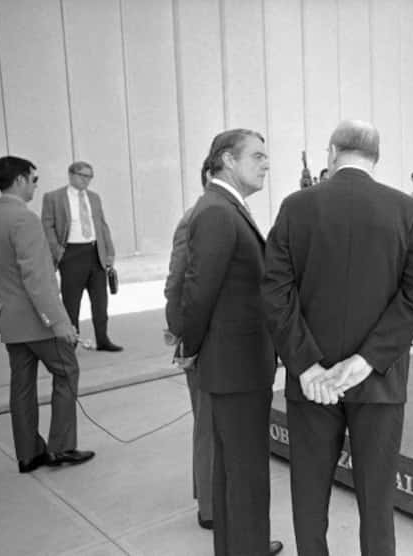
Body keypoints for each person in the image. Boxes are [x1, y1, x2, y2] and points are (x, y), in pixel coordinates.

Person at [262, 120, 413, 556]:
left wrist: (308, 365)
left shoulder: (296, 206)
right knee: (377, 501)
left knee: (309, 495)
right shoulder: (404, 209)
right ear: (375, 156)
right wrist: (366, 361)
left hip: (312, 384)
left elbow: (275, 292)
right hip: (379, 380)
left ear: (332, 151)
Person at [180, 129, 283, 556]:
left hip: (235, 363)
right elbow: (199, 290)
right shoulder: (218, 212)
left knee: (233, 467)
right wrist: (190, 348)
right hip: (235, 366)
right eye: (257, 156)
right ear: (227, 160)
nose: (266, 164)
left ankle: (239, 545)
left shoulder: (223, 207)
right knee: (246, 468)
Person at [0, 156, 95, 473]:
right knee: (67, 372)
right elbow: (39, 278)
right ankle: (61, 448)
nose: (35, 185)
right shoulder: (25, 220)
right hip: (38, 321)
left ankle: (28, 454)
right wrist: (61, 323)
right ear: (18, 180)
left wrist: (13, 293)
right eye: (33, 179)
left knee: (22, 385)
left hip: (10, 319)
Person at [163, 162, 213, 530]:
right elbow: (178, 282)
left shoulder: (214, 213)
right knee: (210, 427)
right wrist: (182, 337)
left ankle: (210, 498)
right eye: (254, 157)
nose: (264, 164)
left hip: (213, 341)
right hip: (205, 343)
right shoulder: (197, 217)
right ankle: (211, 508)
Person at [41, 161, 121, 351]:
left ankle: (103, 339)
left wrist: (109, 253)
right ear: (71, 175)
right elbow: (47, 226)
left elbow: (102, 225)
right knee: (71, 302)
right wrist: (59, 252)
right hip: (71, 253)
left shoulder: (94, 197)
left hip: (95, 252)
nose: (87, 180)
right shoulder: (54, 197)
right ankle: (71, 341)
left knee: (100, 302)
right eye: (83, 175)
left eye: (90, 177)